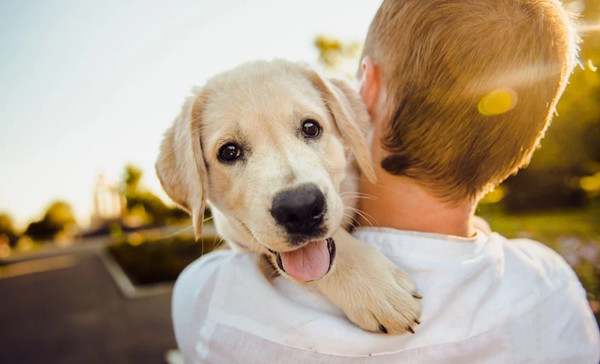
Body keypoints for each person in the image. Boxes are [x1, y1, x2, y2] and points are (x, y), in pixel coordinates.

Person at [172, 0, 600, 362]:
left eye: (309, 128)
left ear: (366, 90)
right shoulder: (551, 286)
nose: (295, 186)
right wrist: (339, 264)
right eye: (231, 152)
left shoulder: (211, 299)